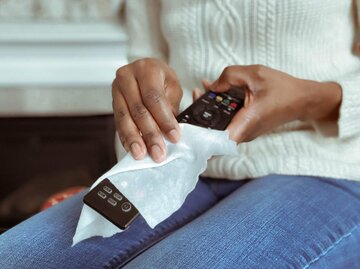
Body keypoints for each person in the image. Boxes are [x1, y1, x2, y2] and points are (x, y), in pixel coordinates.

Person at [1, 0, 360, 268]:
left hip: (323, 162)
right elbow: (150, 56)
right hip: (182, 160)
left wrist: (311, 100)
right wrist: (145, 91)